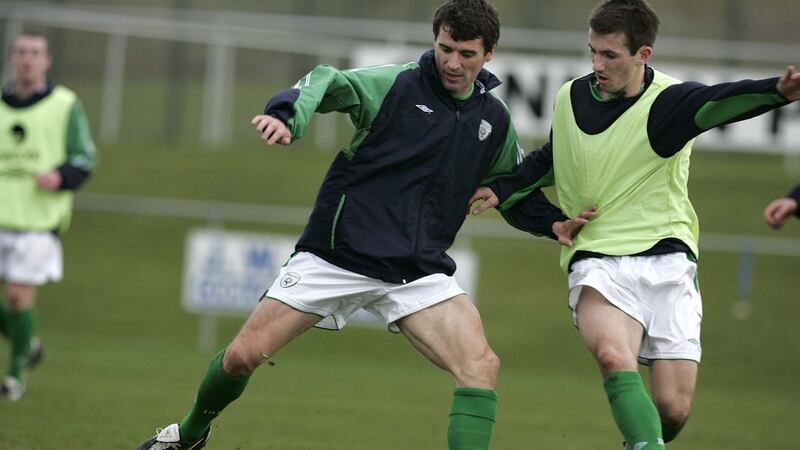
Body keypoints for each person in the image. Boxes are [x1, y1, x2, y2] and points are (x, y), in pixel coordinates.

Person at [137, 1, 588, 448]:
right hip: (338, 255)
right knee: (240, 358)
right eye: (445, 48)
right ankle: (189, 435)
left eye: (466, 54)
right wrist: (287, 114)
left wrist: (551, 224)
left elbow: (506, 187)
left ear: (489, 53)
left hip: (418, 270)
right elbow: (326, 81)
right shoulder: (396, 84)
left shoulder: (493, 119)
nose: (452, 62)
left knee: (481, 367)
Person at [469, 0, 800, 448]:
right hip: (597, 258)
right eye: (592, 51)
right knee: (612, 355)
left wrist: (776, 91)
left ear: (643, 54)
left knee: (674, 410)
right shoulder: (571, 95)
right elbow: (555, 157)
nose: (596, 65)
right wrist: (504, 188)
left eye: (610, 55)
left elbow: (722, 100)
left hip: (668, 261)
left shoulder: (669, 103)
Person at [0, 30, 98, 401]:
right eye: (21, 52)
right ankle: (29, 344)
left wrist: (60, 176)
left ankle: (13, 377)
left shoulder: (64, 103)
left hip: (38, 221)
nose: (27, 59)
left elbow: (86, 156)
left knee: (17, 299)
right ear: (11, 57)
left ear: (46, 60)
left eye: (35, 53)